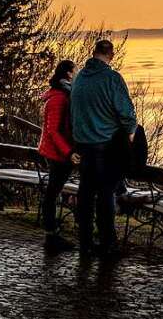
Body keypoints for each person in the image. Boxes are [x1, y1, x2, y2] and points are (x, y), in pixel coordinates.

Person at [70, 39, 137, 258]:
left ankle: (85, 242)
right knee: (106, 193)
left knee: (86, 193)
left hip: (82, 145)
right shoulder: (112, 78)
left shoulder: (79, 78)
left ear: (94, 52)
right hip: (105, 145)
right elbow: (126, 113)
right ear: (111, 55)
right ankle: (107, 243)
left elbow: (73, 112)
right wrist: (129, 133)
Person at [37, 59, 79, 253]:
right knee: (52, 192)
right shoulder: (59, 98)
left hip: (57, 152)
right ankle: (51, 234)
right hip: (57, 154)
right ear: (69, 74)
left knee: (54, 191)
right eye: (75, 71)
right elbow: (53, 131)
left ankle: (53, 233)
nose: (77, 74)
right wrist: (69, 152)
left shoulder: (61, 94)